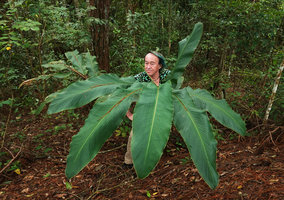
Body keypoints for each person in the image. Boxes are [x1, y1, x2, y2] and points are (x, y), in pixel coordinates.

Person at [123, 51, 171, 168]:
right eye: (146, 63)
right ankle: (129, 162)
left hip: (161, 112)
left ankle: (148, 162)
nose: (148, 67)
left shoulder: (167, 77)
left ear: (160, 65)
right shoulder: (140, 78)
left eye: (152, 63)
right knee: (133, 136)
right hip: (143, 112)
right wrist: (129, 114)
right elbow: (122, 94)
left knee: (154, 138)